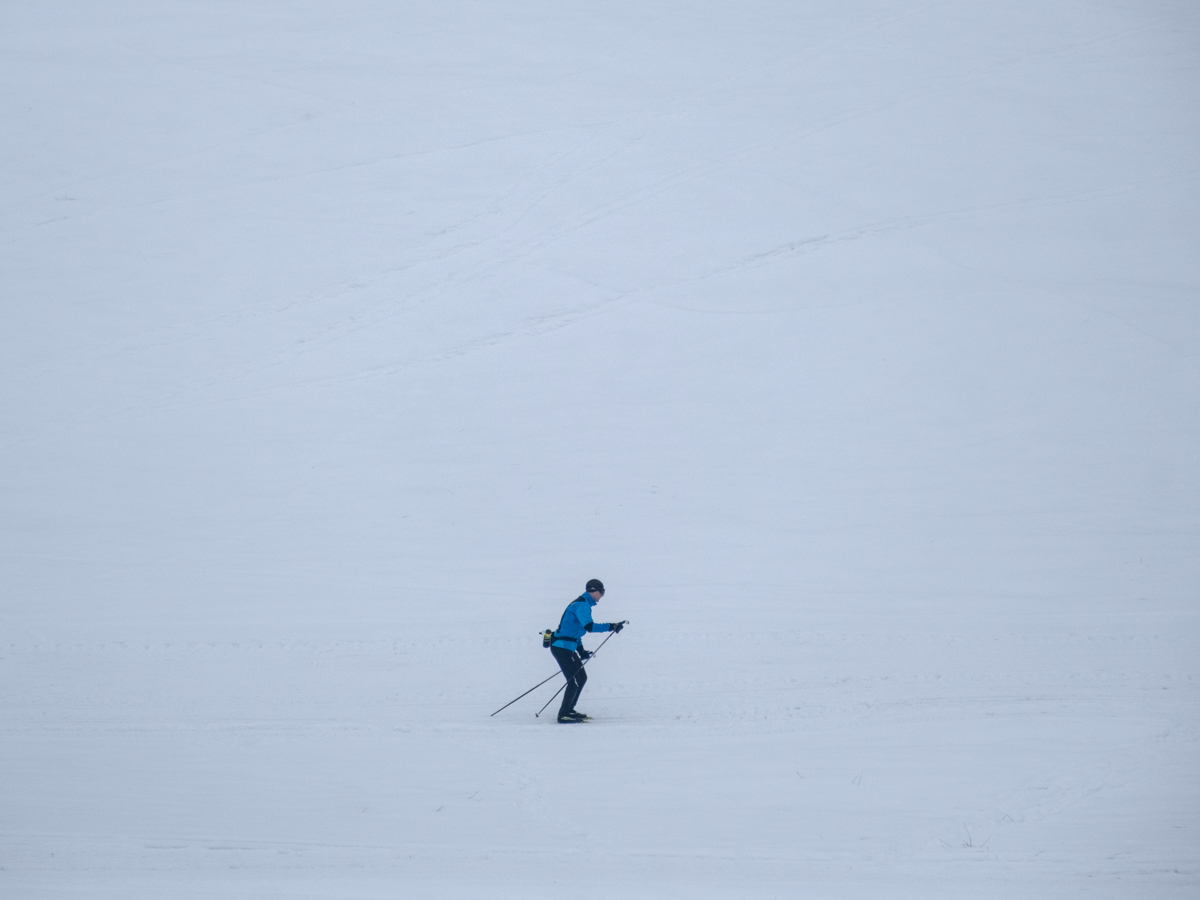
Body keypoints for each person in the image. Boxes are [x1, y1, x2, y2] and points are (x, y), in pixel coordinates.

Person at [549, 579, 625, 723]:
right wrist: (611, 626)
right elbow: (589, 627)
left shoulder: (581, 604)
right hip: (561, 647)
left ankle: (570, 710)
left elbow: (576, 632)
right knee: (574, 681)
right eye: (601, 592)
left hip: (566, 647)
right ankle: (564, 714)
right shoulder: (582, 605)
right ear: (593, 591)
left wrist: (581, 651)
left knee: (581, 678)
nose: (602, 595)